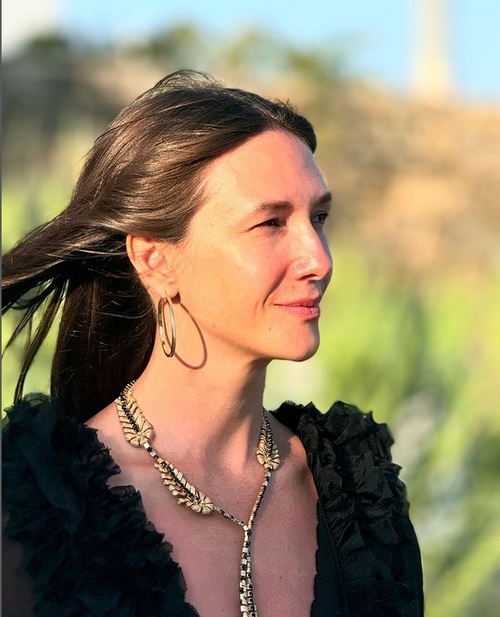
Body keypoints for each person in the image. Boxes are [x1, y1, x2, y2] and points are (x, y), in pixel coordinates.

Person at [2, 69, 423, 617]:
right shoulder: (38, 510)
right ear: (156, 259)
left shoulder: (359, 499)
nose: (319, 259)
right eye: (271, 223)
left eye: (318, 218)